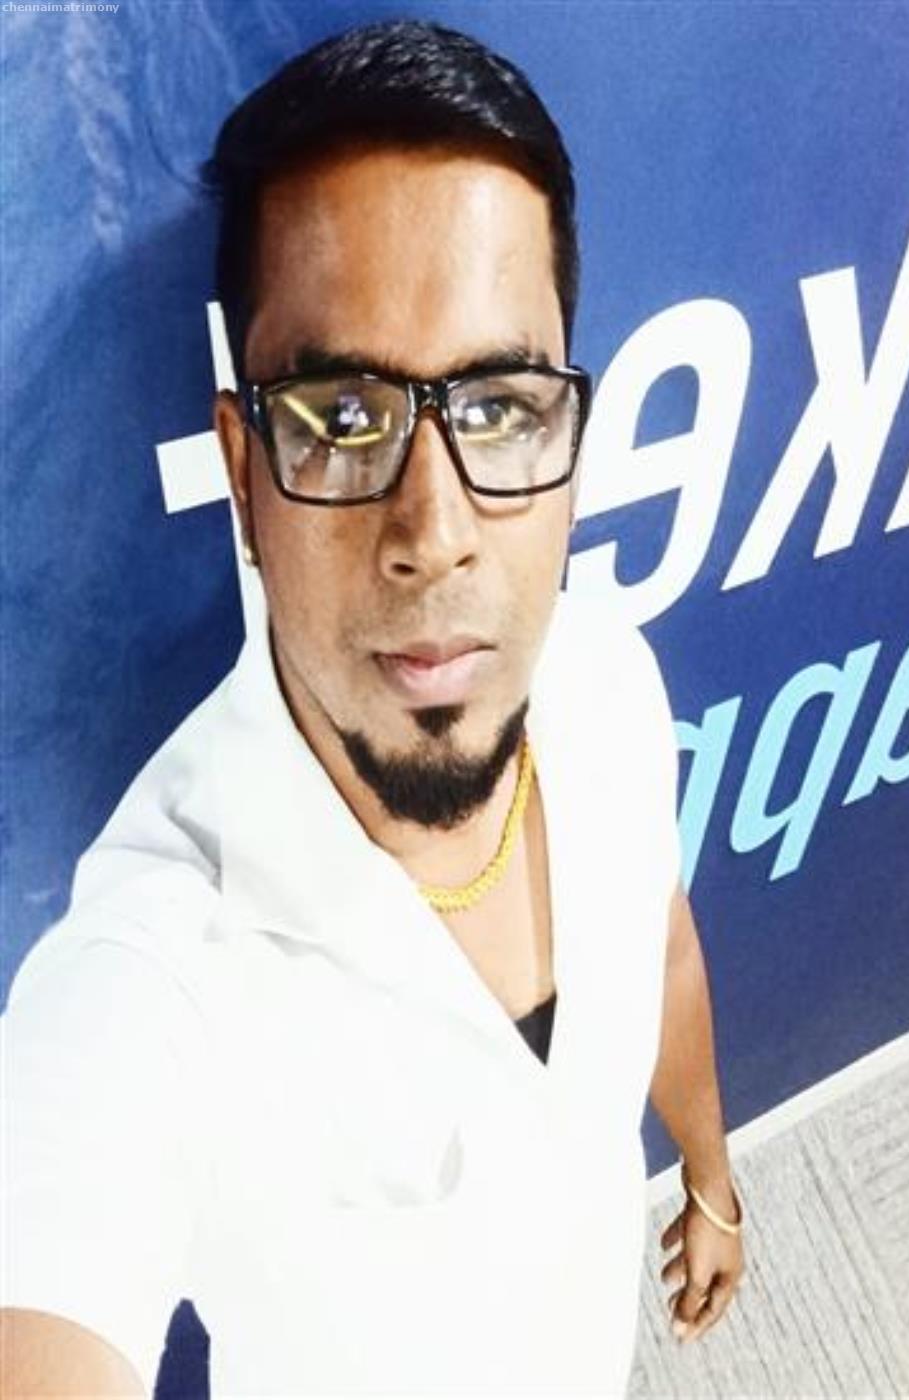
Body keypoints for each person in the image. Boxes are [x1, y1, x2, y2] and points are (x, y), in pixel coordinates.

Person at [1, 19, 743, 1397]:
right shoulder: (151, 976)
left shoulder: (605, 674)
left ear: (572, 437)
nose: (435, 532)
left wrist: (707, 1175)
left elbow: (662, 951)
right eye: (342, 418)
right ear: (244, 472)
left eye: (500, 408)